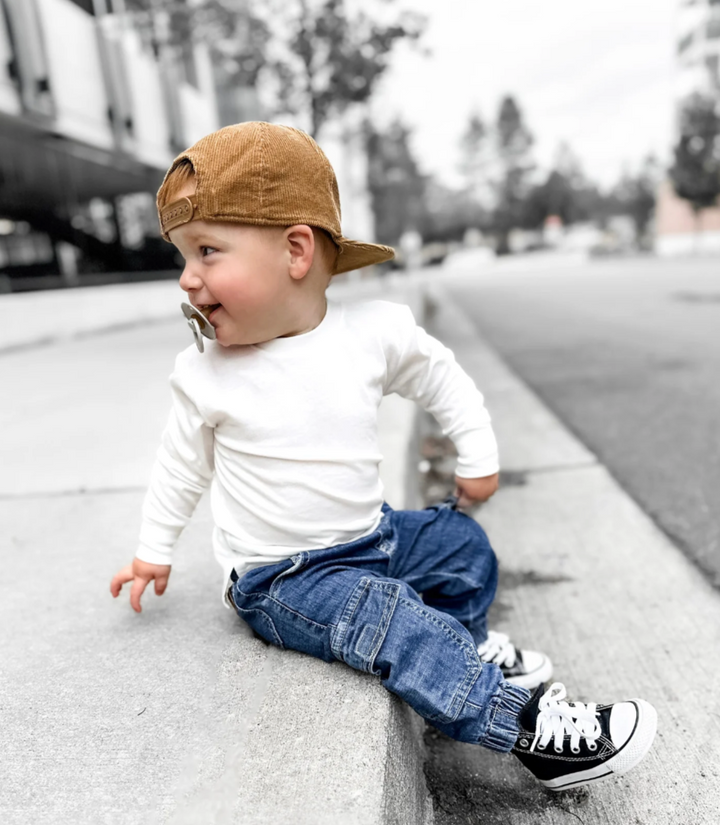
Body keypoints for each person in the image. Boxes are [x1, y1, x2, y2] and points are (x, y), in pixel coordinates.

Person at [110, 122, 656, 792]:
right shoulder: (204, 374)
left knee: (459, 544)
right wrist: (152, 548)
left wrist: (476, 453)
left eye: (207, 250)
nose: (188, 280)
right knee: (392, 616)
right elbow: (180, 465)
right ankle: (525, 729)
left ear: (296, 251)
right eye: (182, 257)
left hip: (374, 534)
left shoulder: (372, 334)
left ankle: (466, 644)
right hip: (282, 580)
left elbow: (441, 379)